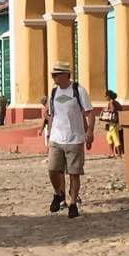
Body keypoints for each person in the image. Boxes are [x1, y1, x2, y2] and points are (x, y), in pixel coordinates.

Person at [44, 62, 95, 219]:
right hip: (56, 138)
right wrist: (49, 135)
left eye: (56, 74)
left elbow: (89, 113)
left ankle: (72, 203)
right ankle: (58, 193)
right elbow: (52, 115)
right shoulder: (53, 93)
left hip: (74, 139)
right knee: (53, 169)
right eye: (52, 75)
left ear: (66, 74)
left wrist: (90, 132)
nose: (53, 77)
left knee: (74, 173)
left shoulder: (78, 91)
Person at [100, 90, 124, 157]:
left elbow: (113, 110)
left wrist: (105, 110)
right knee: (109, 137)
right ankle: (113, 153)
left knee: (115, 138)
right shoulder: (116, 102)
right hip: (114, 122)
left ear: (109, 96)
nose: (105, 97)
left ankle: (118, 153)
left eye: (106, 96)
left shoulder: (111, 102)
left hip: (113, 123)